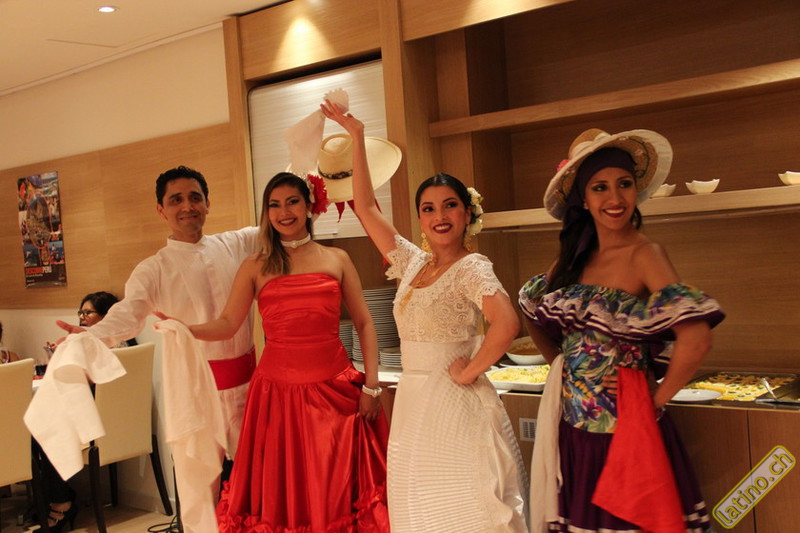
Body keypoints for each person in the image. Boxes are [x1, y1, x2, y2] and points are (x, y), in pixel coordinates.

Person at [321, 102, 529, 532]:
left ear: (467, 213)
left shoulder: (472, 266)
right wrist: (357, 136)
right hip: (414, 398)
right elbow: (366, 207)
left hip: (455, 397)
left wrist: (470, 370)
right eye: (429, 208)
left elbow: (507, 323)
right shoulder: (413, 262)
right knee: (417, 499)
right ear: (420, 218)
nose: (439, 216)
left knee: (462, 500)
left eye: (449, 205)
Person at [518, 129, 725, 533]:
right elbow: (530, 306)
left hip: (626, 438)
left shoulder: (645, 254)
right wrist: (561, 364)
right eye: (600, 187)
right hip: (574, 432)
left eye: (624, 184)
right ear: (584, 199)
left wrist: (653, 399)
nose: (614, 198)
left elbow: (697, 337)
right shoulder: (574, 258)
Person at [178, 171, 390, 532]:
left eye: (292, 202)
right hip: (276, 398)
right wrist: (185, 329)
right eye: (274, 205)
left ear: (309, 206)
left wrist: (372, 386)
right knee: (283, 496)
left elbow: (365, 323)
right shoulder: (255, 265)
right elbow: (228, 323)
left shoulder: (337, 258)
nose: (283, 212)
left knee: (333, 489)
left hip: (335, 393)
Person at [55, 166, 260, 530]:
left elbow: (284, 216)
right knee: (200, 494)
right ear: (161, 210)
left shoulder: (238, 243)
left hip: (249, 387)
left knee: (256, 487)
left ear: (208, 203)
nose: (187, 206)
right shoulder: (154, 269)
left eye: (195, 197)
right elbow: (127, 315)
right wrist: (89, 335)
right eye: (176, 199)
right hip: (194, 393)